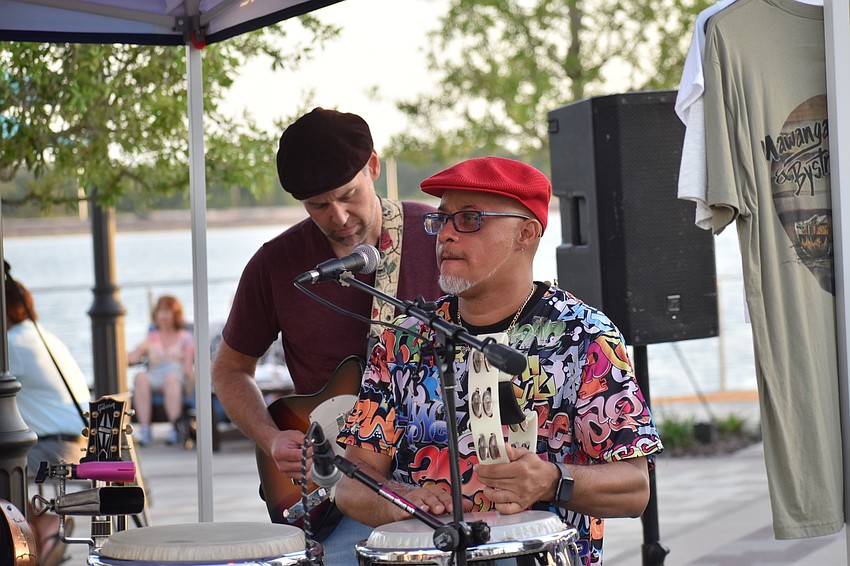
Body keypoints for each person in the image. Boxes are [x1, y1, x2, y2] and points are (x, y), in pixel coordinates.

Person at [335, 156, 664, 565]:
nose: (446, 235)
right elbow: (351, 483)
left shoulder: (585, 337)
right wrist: (398, 499)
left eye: (469, 219)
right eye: (442, 219)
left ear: (526, 233)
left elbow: (634, 489)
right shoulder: (404, 338)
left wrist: (551, 480)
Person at [211, 107, 443, 560]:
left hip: (438, 474)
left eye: (348, 195)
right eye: (318, 205)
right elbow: (230, 370)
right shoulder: (275, 264)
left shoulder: (437, 236)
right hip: (336, 491)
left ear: (373, 165)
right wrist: (270, 437)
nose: (338, 216)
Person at [6, 278, 90, 566]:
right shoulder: (42, 335)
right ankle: (42, 525)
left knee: (4, 466)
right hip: (78, 443)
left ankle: (41, 527)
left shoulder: (12, 344)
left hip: (56, 450)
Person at [127, 294, 195, 446]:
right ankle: (145, 430)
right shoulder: (152, 337)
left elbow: (187, 367)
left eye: (167, 311)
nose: (163, 316)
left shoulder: (186, 337)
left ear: (175, 314)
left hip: (176, 375)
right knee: (140, 377)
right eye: (160, 311)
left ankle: (175, 427)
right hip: (155, 374)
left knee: (170, 379)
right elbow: (133, 357)